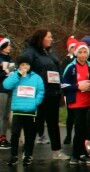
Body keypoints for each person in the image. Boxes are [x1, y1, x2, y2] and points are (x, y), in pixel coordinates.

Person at [23, 29, 68, 160]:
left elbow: (58, 69)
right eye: (49, 37)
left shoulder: (50, 51)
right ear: (41, 38)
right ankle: (28, 153)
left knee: (53, 123)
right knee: (34, 124)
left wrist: (59, 85)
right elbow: (23, 72)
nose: (51, 39)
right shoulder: (29, 53)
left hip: (53, 93)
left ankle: (57, 151)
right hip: (39, 94)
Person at [2, 53, 45, 166]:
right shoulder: (15, 76)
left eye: (27, 64)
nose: (24, 67)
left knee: (29, 135)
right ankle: (14, 155)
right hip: (18, 110)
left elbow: (41, 91)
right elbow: (6, 85)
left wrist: (36, 102)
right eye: (22, 65)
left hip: (31, 111)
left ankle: (28, 155)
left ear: (30, 66)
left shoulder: (36, 77)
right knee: (15, 133)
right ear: (19, 66)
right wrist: (18, 75)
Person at [61, 39, 90, 165]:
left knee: (87, 129)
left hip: (89, 101)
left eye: (85, 52)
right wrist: (77, 86)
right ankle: (75, 155)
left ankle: (84, 153)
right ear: (76, 53)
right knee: (79, 128)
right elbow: (63, 85)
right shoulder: (71, 67)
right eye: (80, 52)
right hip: (76, 102)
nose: (82, 55)